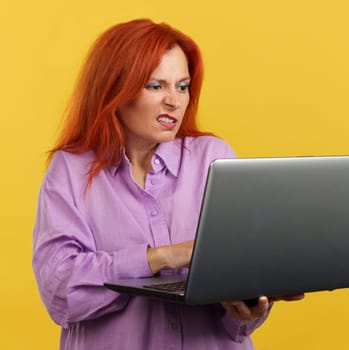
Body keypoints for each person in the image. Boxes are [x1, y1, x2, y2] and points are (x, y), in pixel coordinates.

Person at [32, 18, 303, 350]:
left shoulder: (213, 158)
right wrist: (163, 257)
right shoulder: (71, 170)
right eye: (155, 86)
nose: (174, 101)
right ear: (115, 91)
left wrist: (248, 306)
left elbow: (238, 316)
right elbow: (60, 291)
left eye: (182, 85)